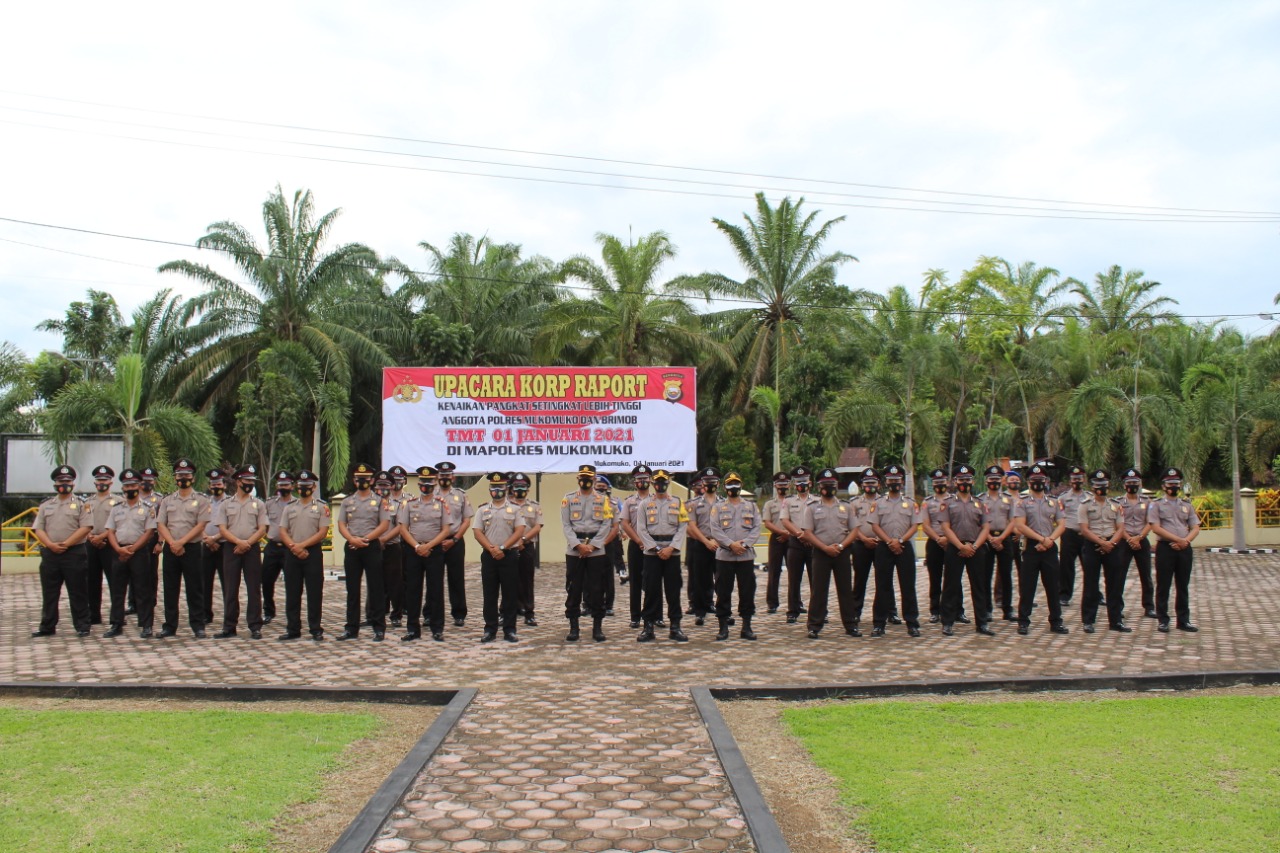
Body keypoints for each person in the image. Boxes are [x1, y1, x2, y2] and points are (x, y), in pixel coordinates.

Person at [30, 465, 93, 638]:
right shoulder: (46, 505)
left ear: (73, 483)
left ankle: (82, 625)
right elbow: (39, 529)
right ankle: (47, 626)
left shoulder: (82, 504)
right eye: (60, 481)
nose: (64, 484)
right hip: (51, 553)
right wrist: (50, 545)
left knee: (77, 590)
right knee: (49, 592)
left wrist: (65, 544)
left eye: (67, 481)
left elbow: (86, 527)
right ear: (54, 484)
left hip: (73, 553)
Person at [799, 468, 859, 640]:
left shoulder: (846, 506)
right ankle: (814, 626)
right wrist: (825, 548)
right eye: (825, 485)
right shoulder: (811, 508)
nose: (829, 487)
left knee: (845, 590)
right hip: (820, 553)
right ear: (819, 487)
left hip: (841, 552)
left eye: (832, 484)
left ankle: (850, 625)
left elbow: (854, 530)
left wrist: (840, 546)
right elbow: (808, 532)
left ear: (836, 485)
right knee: (818, 591)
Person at [1012, 463, 1069, 636]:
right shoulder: (1021, 503)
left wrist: (1049, 540)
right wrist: (1041, 539)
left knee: (1053, 586)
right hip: (1031, 548)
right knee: (1027, 587)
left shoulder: (1054, 502)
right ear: (1028, 482)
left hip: (1050, 548)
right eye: (1034, 480)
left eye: (1041, 480)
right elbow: (1019, 526)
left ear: (1046, 481)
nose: (1037, 483)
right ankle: (1023, 622)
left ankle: (1056, 621)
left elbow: (1062, 524)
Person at [156, 458, 210, 639]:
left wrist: (182, 542)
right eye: (180, 475)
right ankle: (170, 626)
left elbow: (201, 525)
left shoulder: (201, 500)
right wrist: (172, 543)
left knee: (195, 588)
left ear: (193, 478)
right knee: (170, 589)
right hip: (171, 548)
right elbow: (161, 524)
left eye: (187, 475)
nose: (183, 478)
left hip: (192, 548)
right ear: (175, 478)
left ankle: (198, 626)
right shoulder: (167, 500)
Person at [336, 463, 390, 641]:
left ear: (372, 480)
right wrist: (352, 539)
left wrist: (366, 539)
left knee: (375, 588)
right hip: (352, 547)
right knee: (352, 589)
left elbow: (384, 524)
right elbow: (341, 524)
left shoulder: (380, 501)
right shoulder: (347, 502)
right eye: (359, 479)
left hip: (371, 547)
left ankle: (378, 627)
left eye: (366, 479)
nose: (362, 481)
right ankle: (351, 628)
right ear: (354, 480)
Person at [634, 469, 689, 642]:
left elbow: (682, 527)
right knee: (651, 590)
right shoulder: (644, 504)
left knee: (673, 590)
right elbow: (641, 529)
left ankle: (675, 626)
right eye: (657, 481)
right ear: (652, 483)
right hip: (652, 553)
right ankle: (648, 627)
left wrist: (671, 548)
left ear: (668, 482)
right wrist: (657, 548)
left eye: (663, 481)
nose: (660, 484)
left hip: (672, 553)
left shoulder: (678, 503)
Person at [561, 464, 614, 642]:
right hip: (574, 550)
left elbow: (606, 524)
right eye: (582, 478)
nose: (585, 481)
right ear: (578, 479)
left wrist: (592, 546)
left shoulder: (603, 500)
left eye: (588, 478)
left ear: (593, 480)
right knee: (574, 589)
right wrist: (578, 545)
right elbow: (566, 525)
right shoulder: (568, 499)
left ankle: (597, 628)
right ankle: (574, 627)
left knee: (597, 589)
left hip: (596, 551)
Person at [398, 466, 451, 641]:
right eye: (423, 482)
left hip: (434, 551)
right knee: (412, 590)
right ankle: (413, 629)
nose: (425, 485)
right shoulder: (410, 504)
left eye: (429, 482)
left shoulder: (441, 504)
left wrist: (429, 546)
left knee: (435, 590)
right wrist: (416, 546)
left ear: (435, 483)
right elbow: (403, 528)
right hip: (414, 551)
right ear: (418, 483)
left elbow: (445, 530)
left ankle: (437, 628)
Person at [214, 465, 268, 639]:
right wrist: (238, 542)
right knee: (230, 588)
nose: (250, 484)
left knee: (254, 588)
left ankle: (255, 625)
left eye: (252, 481)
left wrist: (247, 543)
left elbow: (263, 528)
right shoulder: (226, 504)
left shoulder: (258, 504)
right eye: (247, 481)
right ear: (238, 482)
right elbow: (222, 528)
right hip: (232, 548)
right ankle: (229, 626)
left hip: (251, 548)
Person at [940, 465, 992, 636]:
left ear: (973, 481)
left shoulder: (980, 503)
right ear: (954, 482)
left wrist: (974, 546)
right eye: (961, 480)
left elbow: (985, 528)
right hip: (955, 548)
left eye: (967, 480)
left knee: (979, 586)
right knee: (950, 586)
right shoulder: (947, 503)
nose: (964, 483)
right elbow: (946, 528)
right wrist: (960, 546)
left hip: (976, 548)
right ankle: (947, 623)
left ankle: (982, 623)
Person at [473, 472, 526, 643]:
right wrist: (491, 548)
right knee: (490, 594)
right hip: (489, 556)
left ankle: (510, 630)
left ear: (506, 488)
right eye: (493, 488)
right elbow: (477, 532)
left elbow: (519, 531)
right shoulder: (482, 510)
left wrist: (503, 547)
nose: (497, 491)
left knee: (509, 594)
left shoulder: (515, 509)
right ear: (489, 489)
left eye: (500, 487)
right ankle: (490, 629)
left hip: (509, 555)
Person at [870, 464, 922, 637]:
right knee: (882, 586)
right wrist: (889, 541)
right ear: (886, 482)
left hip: (904, 547)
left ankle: (912, 623)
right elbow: (875, 525)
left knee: (908, 587)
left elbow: (915, 525)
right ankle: (879, 623)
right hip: (884, 547)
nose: (894, 483)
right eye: (891, 480)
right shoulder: (878, 503)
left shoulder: (910, 503)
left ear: (902, 482)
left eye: (897, 480)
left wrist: (899, 541)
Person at [104, 468, 156, 638]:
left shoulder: (148, 508)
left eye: (133, 484)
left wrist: (132, 549)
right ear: (123, 488)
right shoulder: (116, 508)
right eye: (127, 486)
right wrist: (118, 549)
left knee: (143, 589)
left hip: (139, 552)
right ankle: (116, 624)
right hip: (118, 552)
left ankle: (146, 625)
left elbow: (149, 531)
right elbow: (110, 530)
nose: (130, 488)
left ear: (139, 485)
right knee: (117, 590)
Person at [277, 469, 329, 641]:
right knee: (292, 592)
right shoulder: (289, 508)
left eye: (307, 486)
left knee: (314, 592)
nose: (304, 489)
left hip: (312, 552)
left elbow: (322, 532)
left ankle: (315, 628)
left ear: (313, 487)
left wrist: (302, 546)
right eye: (301, 486)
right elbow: (283, 530)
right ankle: (293, 628)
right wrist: (294, 546)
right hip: (292, 552)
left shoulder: (321, 507)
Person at [1147, 468, 1200, 632]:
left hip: (1184, 549)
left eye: (1176, 484)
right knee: (1164, 585)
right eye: (1170, 484)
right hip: (1166, 548)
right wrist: (1178, 540)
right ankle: (1163, 620)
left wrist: (1185, 541)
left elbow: (1195, 527)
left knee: (1183, 585)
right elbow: (1155, 527)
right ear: (1163, 486)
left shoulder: (1186, 505)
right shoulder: (1156, 505)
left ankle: (1183, 620)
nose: (1173, 487)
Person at [709, 472, 760, 640]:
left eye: (736, 484)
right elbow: (715, 529)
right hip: (725, 556)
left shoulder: (751, 506)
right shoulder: (718, 507)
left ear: (741, 485)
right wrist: (731, 544)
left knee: (747, 591)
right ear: (724, 487)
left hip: (745, 556)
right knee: (723, 592)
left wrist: (744, 545)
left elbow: (757, 528)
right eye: (730, 484)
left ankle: (746, 627)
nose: (733, 487)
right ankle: (723, 627)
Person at [1078, 469, 1127, 633]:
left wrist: (1110, 543)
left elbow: (1120, 527)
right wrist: (1101, 542)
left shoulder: (1116, 505)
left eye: (1104, 485)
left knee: (1114, 584)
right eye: (1098, 485)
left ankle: (1116, 621)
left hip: (1112, 546)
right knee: (1091, 584)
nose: (1101, 488)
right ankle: (1088, 621)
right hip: (1093, 546)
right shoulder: (1085, 506)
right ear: (1092, 487)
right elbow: (1084, 529)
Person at [434, 461, 473, 628]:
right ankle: (431, 614)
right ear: (437, 477)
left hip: (455, 541)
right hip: (434, 542)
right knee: (434, 580)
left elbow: (466, 520)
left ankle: (459, 613)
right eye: (442, 476)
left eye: (447, 476)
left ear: (453, 477)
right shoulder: (430, 494)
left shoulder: (461, 495)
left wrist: (454, 539)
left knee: (456, 578)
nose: (444, 478)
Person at [980, 465, 1020, 622]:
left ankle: (1007, 609)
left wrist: (1001, 538)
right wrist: (990, 538)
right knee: (985, 576)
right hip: (986, 540)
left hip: (1005, 540)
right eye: (991, 479)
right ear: (986, 481)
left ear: (1002, 481)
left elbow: (1012, 521)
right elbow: (979, 522)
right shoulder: (980, 499)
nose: (994, 482)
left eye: (997, 479)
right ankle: (987, 609)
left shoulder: (1008, 499)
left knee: (1006, 575)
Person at [1116, 467, 1157, 619]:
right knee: (1119, 576)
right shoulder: (1118, 502)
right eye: (1129, 482)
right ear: (1124, 485)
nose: (1132, 485)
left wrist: (1139, 537)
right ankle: (1118, 608)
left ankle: (1149, 607)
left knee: (1146, 575)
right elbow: (1118, 524)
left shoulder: (1147, 502)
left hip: (1141, 541)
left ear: (1139, 484)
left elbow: (1151, 521)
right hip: (1123, 541)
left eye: (1135, 482)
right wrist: (1129, 539)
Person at [779, 465, 817, 623]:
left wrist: (809, 536)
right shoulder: (788, 501)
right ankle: (792, 610)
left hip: (813, 542)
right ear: (794, 484)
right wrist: (799, 534)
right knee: (794, 579)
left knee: (816, 579)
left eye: (805, 481)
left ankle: (818, 610)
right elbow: (785, 520)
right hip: (795, 541)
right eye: (798, 482)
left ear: (810, 483)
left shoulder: (817, 500)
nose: (802, 485)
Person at [84, 464, 121, 625]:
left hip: (109, 543)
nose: (101, 482)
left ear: (111, 482)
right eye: (99, 480)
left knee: (115, 581)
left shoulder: (118, 501)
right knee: (91, 580)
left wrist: (102, 537)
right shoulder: (87, 502)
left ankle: (117, 616)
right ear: (94, 483)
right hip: (91, 543)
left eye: (105, 480)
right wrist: (91, 536)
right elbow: (83, 523)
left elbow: (118, 523)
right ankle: (93, 615)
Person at [260, 470, 296, 626]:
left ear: (292, 486)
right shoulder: (269, 503)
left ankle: (292, 615)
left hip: (290, 548)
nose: (283, 487)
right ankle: (268, 611)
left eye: (286, 484)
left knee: (292, 583)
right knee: (266, 581)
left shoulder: (297, 504)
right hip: (273, 547)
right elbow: (263, 523)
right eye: (281, 485)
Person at [848, 469, 882, 634]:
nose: (870, 486)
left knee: (883, 581)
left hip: (881, 544)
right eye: (867, 483)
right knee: (860, 580)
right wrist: (864, 539)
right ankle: (855, 613)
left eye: (873, 483)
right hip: (861, 545)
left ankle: (889, 612)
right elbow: (852, 525)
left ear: (879, 484)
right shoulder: (854, 503)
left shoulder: (884, 501)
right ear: (862, 485)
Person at [685, 469, 720, 624]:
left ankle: (720, 608)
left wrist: (719, 541)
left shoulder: (724, 502)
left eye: (713, 481)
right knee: (699, 579)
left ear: (718, 483)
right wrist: (706, 541)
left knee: (722, 579)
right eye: (707, 481)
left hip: (720, 545)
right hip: (701, 543)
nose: (710, 484)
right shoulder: (693, 504)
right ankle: (699, 611)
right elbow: (691, 526)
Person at [508, 472, 543, 627]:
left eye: (523, 486)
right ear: (511, 488)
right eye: (517, 486)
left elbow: (537, 526)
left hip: (527, 547)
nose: (520, 489)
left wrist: (523, 539)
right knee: (508, 580)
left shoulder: (534, 506)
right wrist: (515, 541)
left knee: (527, 581)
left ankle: (529, 613)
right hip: (509, 547)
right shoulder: (506, 505)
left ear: (528, 489)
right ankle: (507, 611)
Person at [620, 465, 653, 628]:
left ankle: (655, 615)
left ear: (651, 481)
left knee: (653, 581)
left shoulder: (657, 500)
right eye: (639, 480)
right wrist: (639, 540)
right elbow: (625, 523)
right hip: (636, 545)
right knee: (635, 582)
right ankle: (635, 617)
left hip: (653, 546)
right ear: (634, 483)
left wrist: (648, 542)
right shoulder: (629, 502)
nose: (642, 482)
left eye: (645, 479)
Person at [919, 468, 952, 624]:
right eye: (936, 482)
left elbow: (957, 523)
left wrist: (947, 538)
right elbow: (925, 525)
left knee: (953, 578)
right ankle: (935, 611)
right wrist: (939, 538)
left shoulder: (954, 500)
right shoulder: (927, 502)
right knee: (935, 577)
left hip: (952, 542)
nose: (939, 484)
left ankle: (956, 610)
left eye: (942, 482)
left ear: (948, 482)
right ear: (933, 484)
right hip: (934, 542)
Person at [200, 468, 228, 627]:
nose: (216, 486)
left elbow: (230, 525)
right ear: (209, 486)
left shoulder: (230, 502)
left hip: (224, 546)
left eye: (218, 483)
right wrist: (207, 539)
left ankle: (229, 614)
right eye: (213, 484)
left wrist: (215, 538)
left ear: (224, 485)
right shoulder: (204, 502)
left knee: (227, 582)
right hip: (206, 546)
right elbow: (198, 523)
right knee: (205, 582)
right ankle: (205, 614)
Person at [1057, 465, 1089, 607]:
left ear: (1084, 480)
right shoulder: (1063, 498)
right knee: (1066, 566)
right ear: (1070, 481)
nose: (1077, 481)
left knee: (1090, 566)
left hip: (1086, 535)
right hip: (1069, 533)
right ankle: (1064, 595)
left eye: (1079, 478)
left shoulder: (1090, 497)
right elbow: (1059, 516)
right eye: (1074, 479)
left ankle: (1094, 594)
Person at [383, 465, 410, 628]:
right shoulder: (382, 499)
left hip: (403, 542)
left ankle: (403, 608)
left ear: (405, 481)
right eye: (395, 480)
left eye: (400, 480)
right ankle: (381, 608)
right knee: (381, 580)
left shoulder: (410, 499)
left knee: (402, 578)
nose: (397, 483)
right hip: (384, 544)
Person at [760, 472, 791, 615]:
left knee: (794, 573)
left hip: (793, 538)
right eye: (780, 484)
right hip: (777, 539)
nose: (782, 487)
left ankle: (795, 603)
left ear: (789, 485)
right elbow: (767, 522)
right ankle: (772, 603)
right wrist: (781, 532)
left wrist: (788, 534)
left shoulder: (794, 502)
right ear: (775, 485)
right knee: (774, 572)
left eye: (785, 484)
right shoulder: (769, 504)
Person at [596, 475, 624, 616]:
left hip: (609, 540)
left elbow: (617, 523)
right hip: (591, 542)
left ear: (608, 488)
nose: (600, 489)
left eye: (603, 487)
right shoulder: (588, 502)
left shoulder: (614, 503)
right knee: (590, 575)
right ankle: (589, 604)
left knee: (607, 574)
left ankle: (608, 605)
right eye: (598, 486)